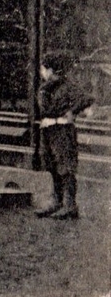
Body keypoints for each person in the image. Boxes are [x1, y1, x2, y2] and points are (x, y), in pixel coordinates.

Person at [37, 51, 94, 220]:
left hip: (62, 132)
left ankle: (70, 204)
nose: (41, 72)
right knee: (52, 165)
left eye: (43, 69)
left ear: (51, 70)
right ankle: (57, 201)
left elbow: (86, 99)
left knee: (65, 168)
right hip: (49, 131)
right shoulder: (46, 88)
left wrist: (70, 112)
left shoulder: (67, 86)